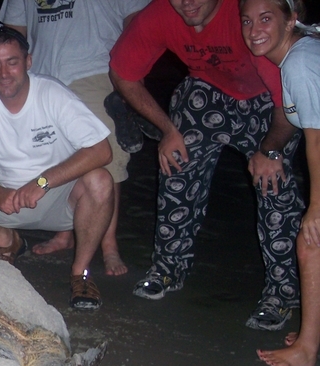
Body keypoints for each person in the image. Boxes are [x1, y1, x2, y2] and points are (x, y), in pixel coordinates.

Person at [109, 0, 305, 330]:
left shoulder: (249, 17)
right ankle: (168, 268)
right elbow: (123, 73)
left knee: (274, 185)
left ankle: (282, 293)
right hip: (207, 88)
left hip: (270, 103)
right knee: (176, 165)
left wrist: (270, 152)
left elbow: (289, 102)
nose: (188, 3)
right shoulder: (159, 14)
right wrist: (167, 130)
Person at [0, 25, 114, 310]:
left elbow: (102, 150)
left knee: (101, 180)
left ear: (28, 62)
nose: (4, 73)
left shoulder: (53, 94)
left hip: (58, 198)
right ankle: (6, 239)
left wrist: (42, 182)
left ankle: (81, 274)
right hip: (6, 202)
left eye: (12, 62)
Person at [0, 0, 151, 276]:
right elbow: (14, 29)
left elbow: (136, 18)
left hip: (96, 69)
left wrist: (128, 73)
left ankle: (109, 244)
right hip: (41, 73)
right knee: (56, 156)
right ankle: (65, 232)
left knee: (105, 160)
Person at [240, 0, 320, 366]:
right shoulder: (293, 60)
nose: (254, 28)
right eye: (247, 20)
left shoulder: (301, 61)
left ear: (292, 21)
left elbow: (317, 140)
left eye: (266, 18)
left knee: (310, 243)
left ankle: (306, 348)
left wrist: (316, 207)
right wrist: (269, 151)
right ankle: (310, 338)